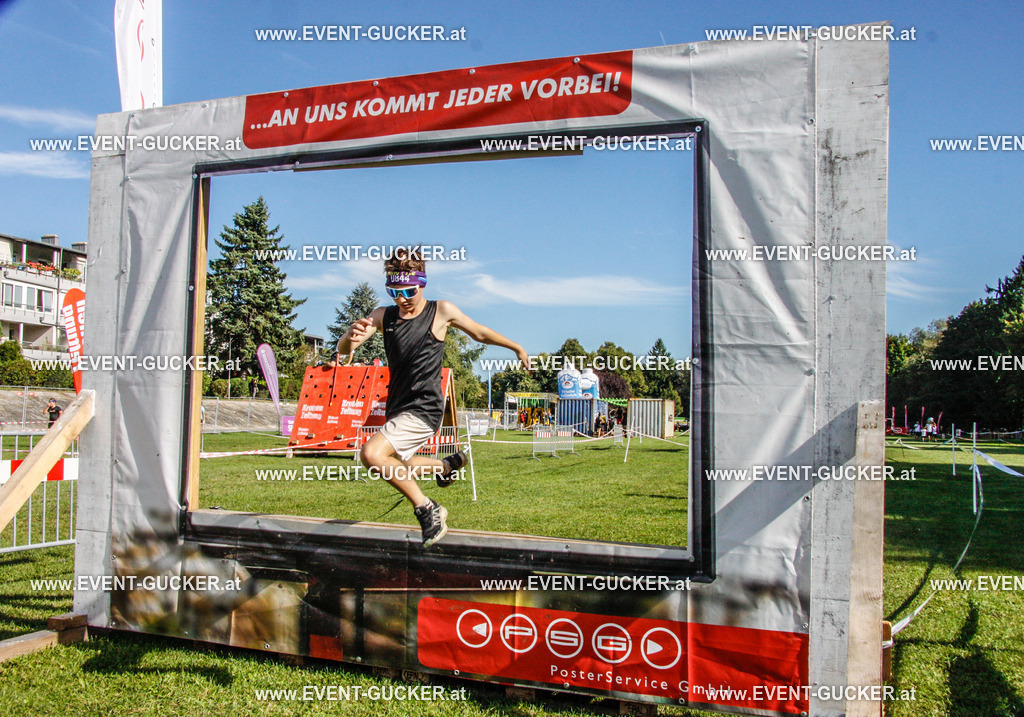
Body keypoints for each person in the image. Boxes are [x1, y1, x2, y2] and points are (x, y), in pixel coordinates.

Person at [332, 248, 528, 548]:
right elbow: (345, 350)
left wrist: (516, 347)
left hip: (424, 407)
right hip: (398, 407)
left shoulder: (441, 311)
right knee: (402, 466)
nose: (402, 299)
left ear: (423, 283)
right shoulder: (383, 315)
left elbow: (480, 333)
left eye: (409, 291)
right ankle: (447, 466)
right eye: (394, 291)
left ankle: (428, 509)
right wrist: (348, 336)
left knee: (372, 455)